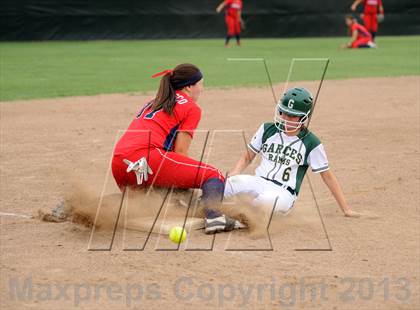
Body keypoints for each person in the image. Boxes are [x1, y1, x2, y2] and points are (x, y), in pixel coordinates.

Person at [111, 63, 244, 234]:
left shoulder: (155, 101)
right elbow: (180, 152)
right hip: (147, 157)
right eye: (201, 84)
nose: (202, 89)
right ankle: (215, 218)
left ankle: (85, 207)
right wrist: (186, 184)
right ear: (189, 86)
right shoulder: (191, 107)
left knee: (148, 201)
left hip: (120, 163)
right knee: (213, 175)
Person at [223, 87, 360, 218]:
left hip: (283, 192)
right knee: (226, 184)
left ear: (303, 117)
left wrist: (346, 209)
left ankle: (232, 220)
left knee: (261, 204)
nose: (286, 118)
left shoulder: (311, 143)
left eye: (292, 116)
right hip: (258, 181)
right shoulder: (267, 129)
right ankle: (209, 212)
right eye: (283, 112)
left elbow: (327, 176)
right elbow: (248, 156)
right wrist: (236, 171)